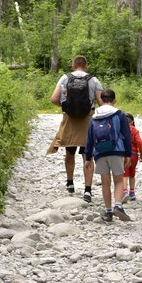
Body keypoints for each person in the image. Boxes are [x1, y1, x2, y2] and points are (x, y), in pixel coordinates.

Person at [47, 55, 103, 202]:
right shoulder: (93, 79)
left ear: (73, 65)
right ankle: (88, 190)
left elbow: (54, 99)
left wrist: (65, 106)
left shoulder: (65, 78)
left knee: (69, 152)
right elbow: (101, 102)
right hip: (87, 120)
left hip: (70, 119)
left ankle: (70, 183)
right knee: (87, 155)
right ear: (86, 65)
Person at [85, 89, 132, 222]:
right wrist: (128, 153)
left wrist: (88, 158)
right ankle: (118, 205)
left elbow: (89, 138)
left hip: (99, 153)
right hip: (116, 151)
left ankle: (108, 212)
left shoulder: (94, 116)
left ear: (100, 100)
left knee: (105, 182)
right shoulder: (119, 114)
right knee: (118, 181)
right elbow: (126, 134)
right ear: (114, 100)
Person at [121, 113, 142, 201]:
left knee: (124, 174)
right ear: (132, 122)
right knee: (132, 174)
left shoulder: (121, 130)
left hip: (123, 155)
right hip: (134, 155)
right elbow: (140, 142)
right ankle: (132, 192)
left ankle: (124, 192)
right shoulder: (135, 130)